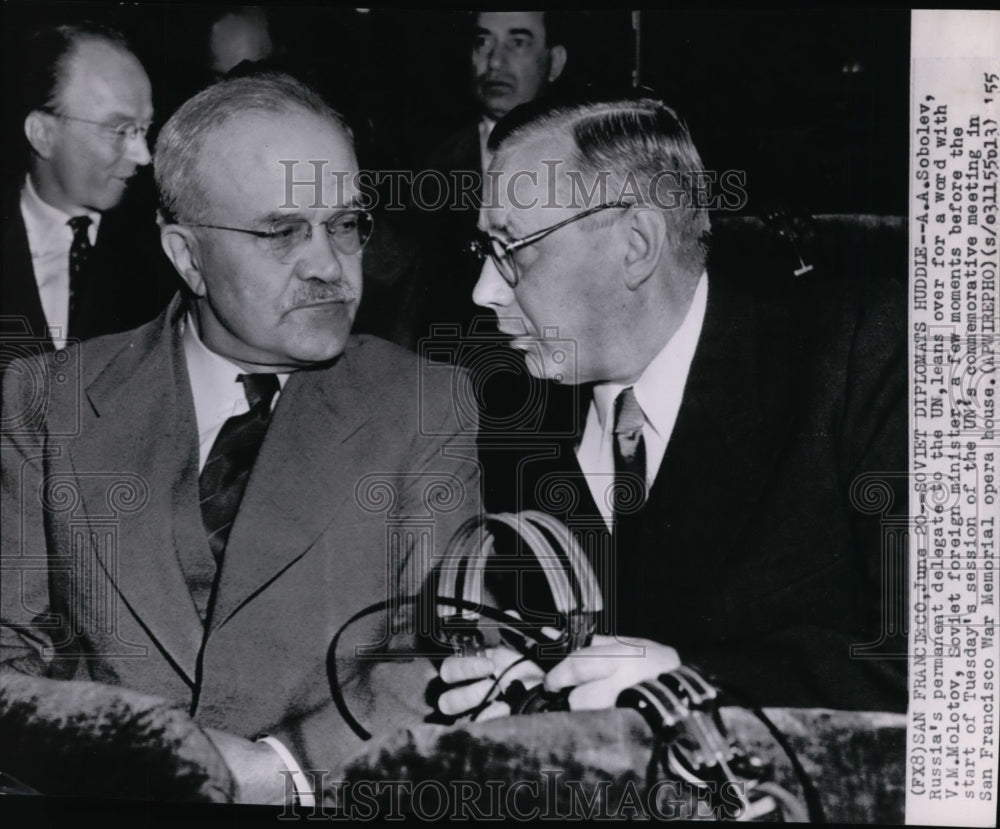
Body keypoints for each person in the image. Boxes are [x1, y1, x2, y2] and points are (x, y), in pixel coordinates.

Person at [1, 72, 479, 805]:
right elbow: (9, 659)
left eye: (346, 224)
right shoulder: (46, 401)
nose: (328, 265)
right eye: (282, 231)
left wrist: (282, 770)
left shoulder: (422, 405)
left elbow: (439, 659)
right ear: (187, 256)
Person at [436, 97, 907, 721]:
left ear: (635, 245)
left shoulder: (863, 355)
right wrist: (525, 693)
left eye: (512, 249)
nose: (484, 291)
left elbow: (945, 674)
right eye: (483, 252)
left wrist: (692, 686)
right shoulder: (508, 419)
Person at [2, 22, 175, 354]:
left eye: (144, 129)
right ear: (43, 133)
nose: (143, 156)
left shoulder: (164, 250)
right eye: (120, 130)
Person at [414, 11, 569, 345]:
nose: (495, 62)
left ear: (555, 62)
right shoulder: (433, 163)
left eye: (518, 43)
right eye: (482, 42)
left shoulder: (587, 164)